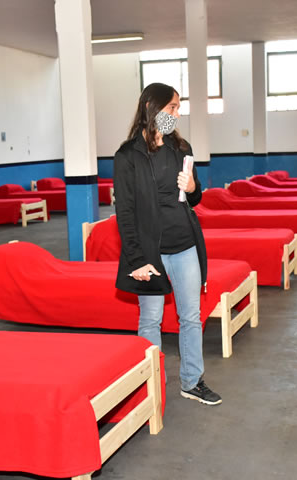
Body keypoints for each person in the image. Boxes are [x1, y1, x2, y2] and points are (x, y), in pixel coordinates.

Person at [113, 82, 221, 406]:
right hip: (151, 252)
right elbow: (125, 213)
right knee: (151, 320)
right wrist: (136, 259)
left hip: (185, 245)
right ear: (151, 107)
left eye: (178, 108)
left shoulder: (182, 148)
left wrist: (192, 188)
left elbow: (195, 198)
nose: (177, 113)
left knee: (191, 317)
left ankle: (192, 381)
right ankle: (150, 389)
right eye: (172, 107)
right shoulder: (128, 155)